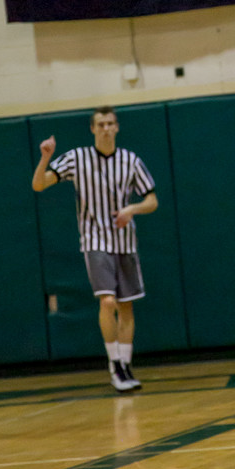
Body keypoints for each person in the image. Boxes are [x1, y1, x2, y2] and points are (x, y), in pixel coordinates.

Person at [32, 106, 158, 393]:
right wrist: (45, 158)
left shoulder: (130, 161)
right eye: (100, 124)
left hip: (125, 241)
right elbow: (39, 185)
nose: (105, 129)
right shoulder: (77, 158)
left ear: (117, 127)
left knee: (126, 306)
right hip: (95, 240)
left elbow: (152, 200)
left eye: (110, 123)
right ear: (92, 129)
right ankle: (114, 364)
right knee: (108, 302)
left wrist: (131, 209)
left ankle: (126, 365)